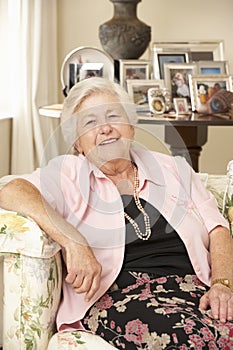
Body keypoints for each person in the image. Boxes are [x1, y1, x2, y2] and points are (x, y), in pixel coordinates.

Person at [0, 77, 233, 349]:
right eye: (90, 122)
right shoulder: (68, 174)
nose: (106, 129)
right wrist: (73, 241)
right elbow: (12, 190)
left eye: (113, 115)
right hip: (124, 299)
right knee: (189, 339)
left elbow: (218, 229)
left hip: (195, 290)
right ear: (77, 143)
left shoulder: (173, 168)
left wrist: (222, 284)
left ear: (131, 126)